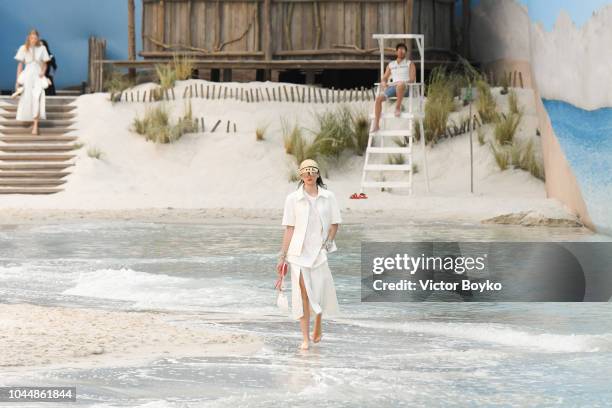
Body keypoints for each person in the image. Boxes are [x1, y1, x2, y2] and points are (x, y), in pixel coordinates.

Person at [277, 159, 342, 350]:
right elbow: (289, 228)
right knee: (303, 294)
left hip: (319, 253)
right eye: (305, 172)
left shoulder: (328, 197)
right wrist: (282, 255)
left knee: (319, 291)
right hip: (297, 254)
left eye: (312, 171)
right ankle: (305, 338)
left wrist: (328, 242)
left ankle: (319, 318)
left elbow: (335, 223)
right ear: (300, 175)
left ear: (318, 174)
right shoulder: (292, 199)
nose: (309, 175)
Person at [372, 43, 417, 132]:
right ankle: (376, 125)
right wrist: (384, 82)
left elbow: (412, 79)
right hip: (393, 87)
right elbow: (385, 77)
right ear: (396, 52)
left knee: (400, 85)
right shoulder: (391, 64)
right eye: (399, 49)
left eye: (403, 50)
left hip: (405, 87)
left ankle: (397, 108)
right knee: (378, 98)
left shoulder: (410, 63)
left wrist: (402, 82)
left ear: (406, 52)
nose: (401, 51)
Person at [14, 29, 51, 135]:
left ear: (38, 38)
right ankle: (30, 119)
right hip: (27, 76)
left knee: (37, 98)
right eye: (32, 37)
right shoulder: (23, 48)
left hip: (38, 76)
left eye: (35, 37)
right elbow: (20, 65)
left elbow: (45, 64)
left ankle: (35, 125)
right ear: (28, 37)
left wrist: (43, 72)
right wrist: (17, 81)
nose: (33, 39)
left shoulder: (42, 48)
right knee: (27, 98)